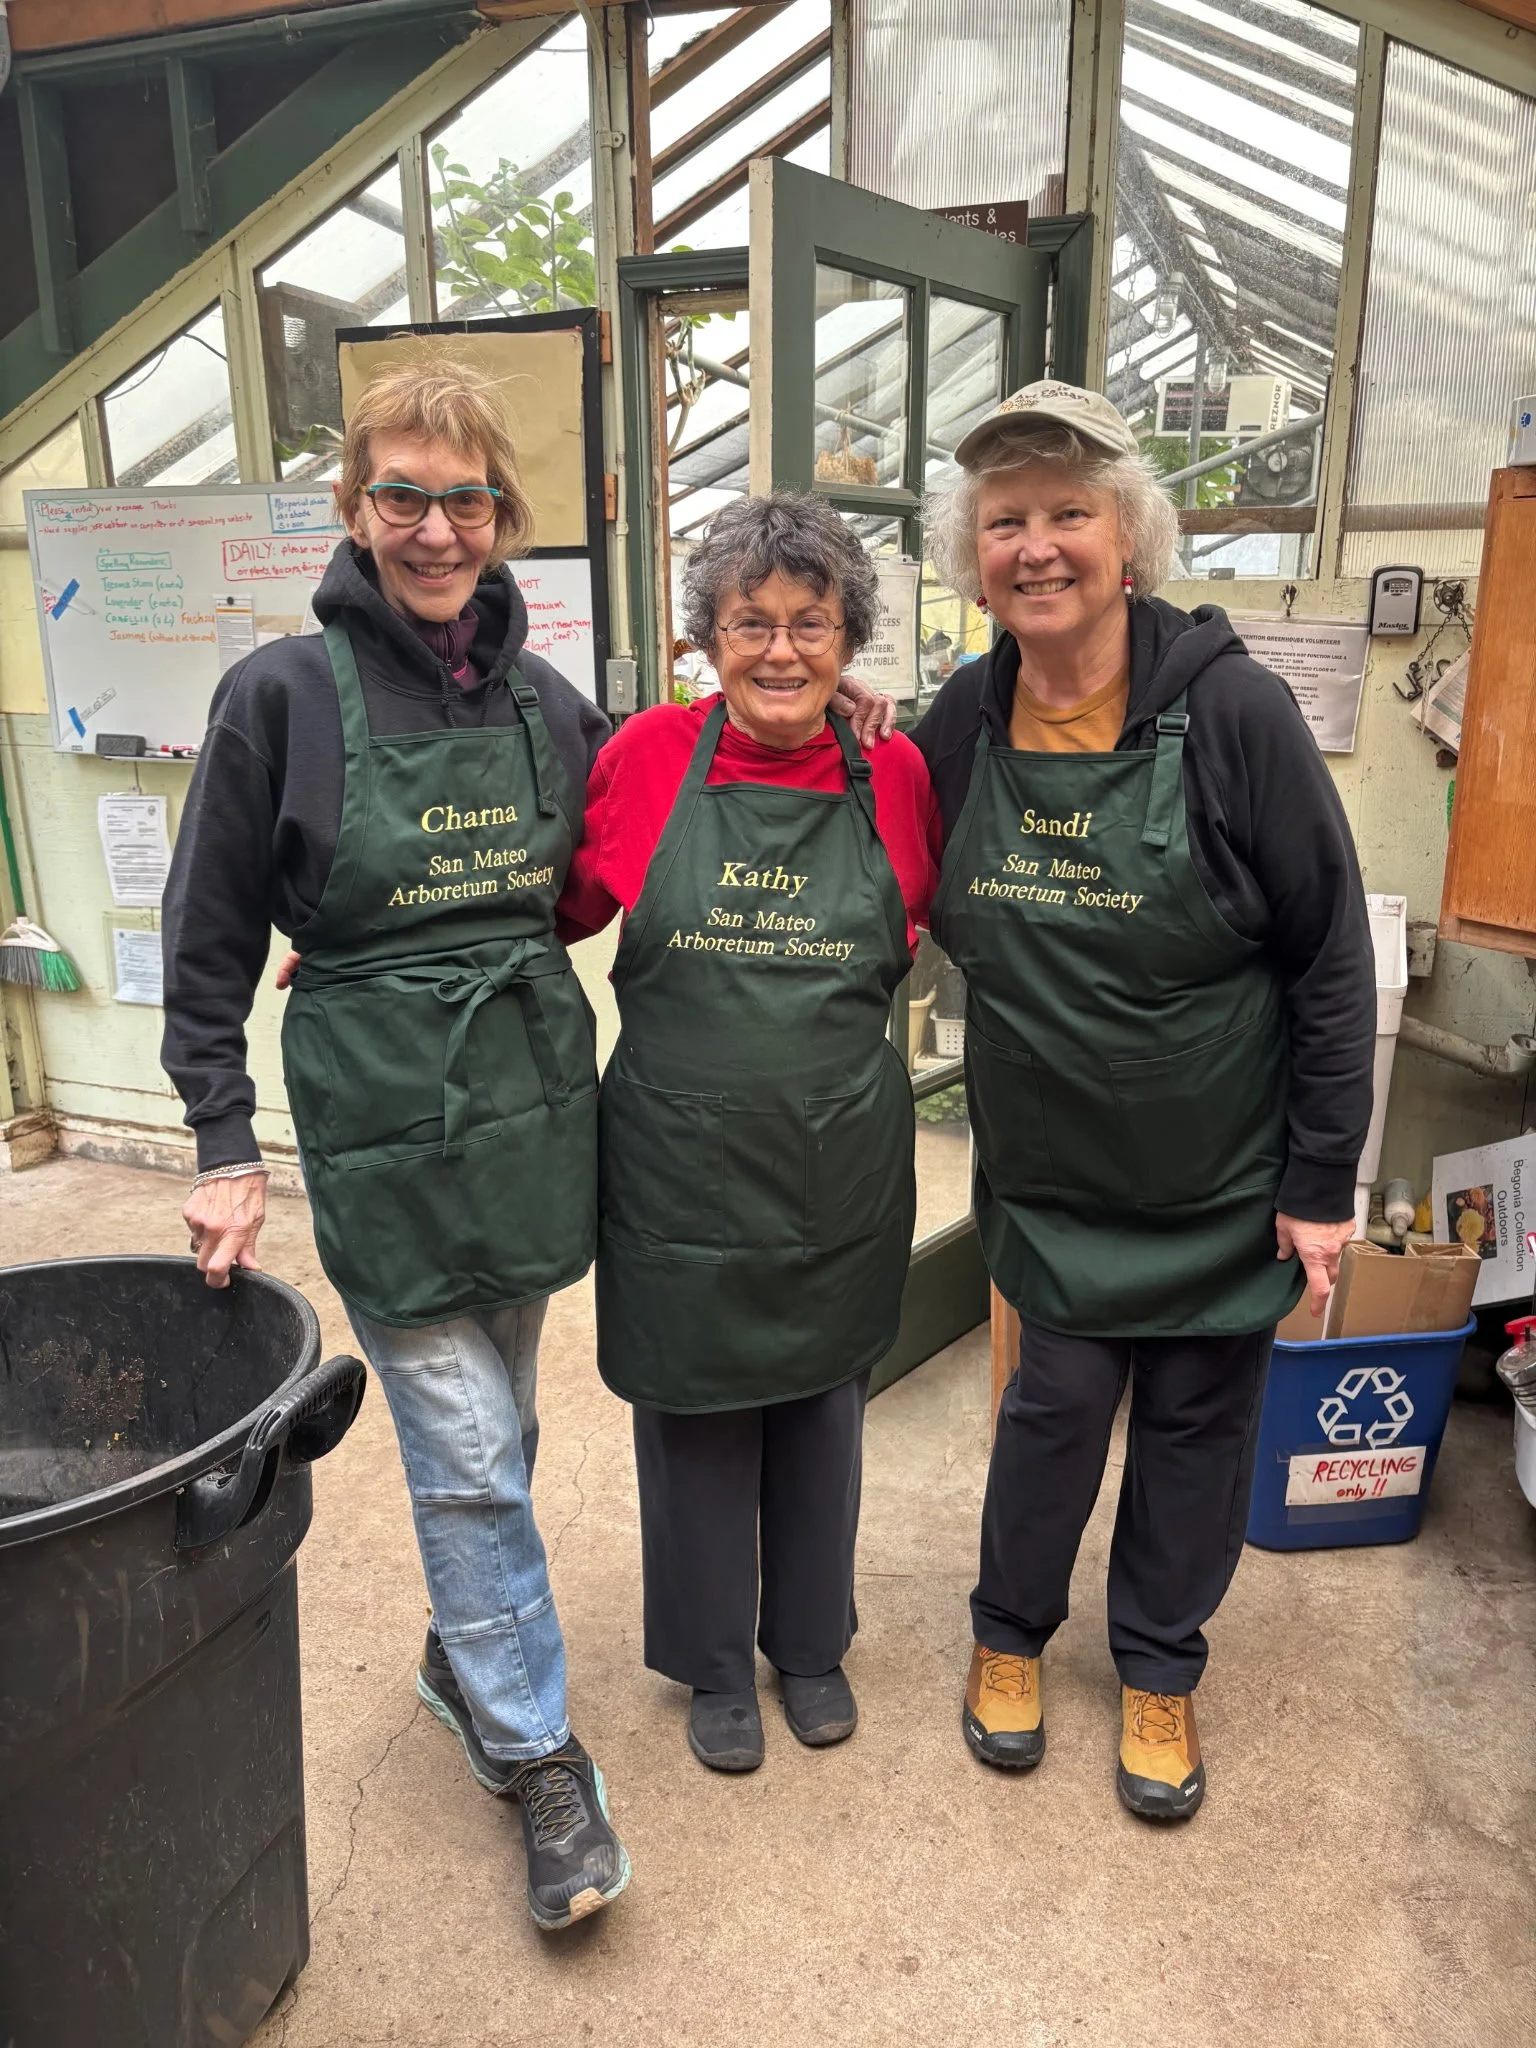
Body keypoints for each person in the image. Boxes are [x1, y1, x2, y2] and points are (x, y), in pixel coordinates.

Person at [160, 358, 630, 1929]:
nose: (436, 527)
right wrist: (223, 1139)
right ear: (356, 510)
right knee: (473, 1452)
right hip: (377, 1113)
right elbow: (211, 934)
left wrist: (815, 704)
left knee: (505, 1418)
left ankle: (464, 1644)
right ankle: (536, 1754)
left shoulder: (545, 696)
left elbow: (632, 828)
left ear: (504, 517)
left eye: (465, 497)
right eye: (403, 495)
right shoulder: (280, 695)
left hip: (523, 1095)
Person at [910, 381, 1375, 1819]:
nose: (1036, 545)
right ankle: (1008, 1640)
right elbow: (878, 857)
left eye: (1068, 512)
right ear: (970, 552)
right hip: (1054, 1174)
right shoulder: (963, 715)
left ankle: (1161, 1665)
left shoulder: (1233, 712)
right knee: (1051, 1411)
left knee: (1194, 1423)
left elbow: (1330, 959)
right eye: (1005, 521)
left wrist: (1317, 1182)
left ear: (1130, 537)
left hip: (1221, 1174)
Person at [559, 493, 940, 1772]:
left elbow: (929, 922)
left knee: (824, 1408)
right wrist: (370, 951)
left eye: (811, 623)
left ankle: (812, 1641)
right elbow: (549, 908)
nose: (781, 651)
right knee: (695, 1412)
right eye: (750, 623)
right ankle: (717, 1660)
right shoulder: (647, 756)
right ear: (705, 637)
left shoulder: (893, 768)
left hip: (835, 1157)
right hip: (677, 1159)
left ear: (850, 640)